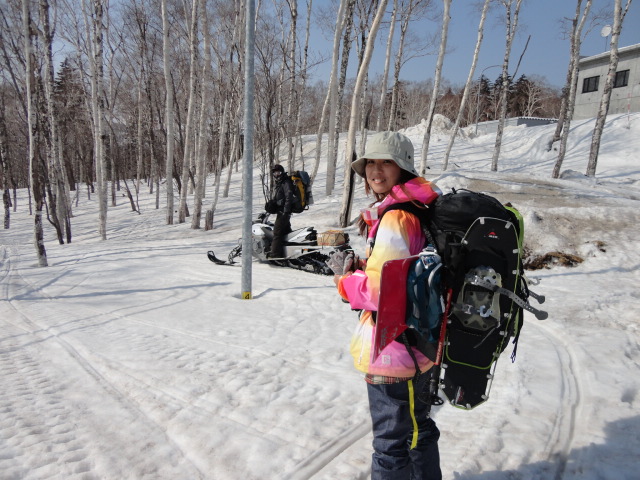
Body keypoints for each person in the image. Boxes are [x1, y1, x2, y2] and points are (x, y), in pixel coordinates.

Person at [327, 131, 443, 480]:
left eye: (385, 162)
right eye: (370, 163)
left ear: (403, 168)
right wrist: (364, 266)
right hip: (420, 344)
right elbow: (403, 273)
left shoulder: (396, 218)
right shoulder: (417, 208)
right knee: (418, 429)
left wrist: (344, 281)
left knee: (391, 445)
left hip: (393, 349)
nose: (375, 170)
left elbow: (379, 293)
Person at [267, 164, 294, 260]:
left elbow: (288, 197)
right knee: (286, 232)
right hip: (282, 212)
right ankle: (289, 251)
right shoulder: (280, 183)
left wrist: (286, 211)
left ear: (282, 172)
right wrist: (272, 204)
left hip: (284, 212)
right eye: (275, 173)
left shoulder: (286, 182)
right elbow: (280, 198)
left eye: (278, 172)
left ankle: (275, 254)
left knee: (277, 232)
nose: (277, 174)